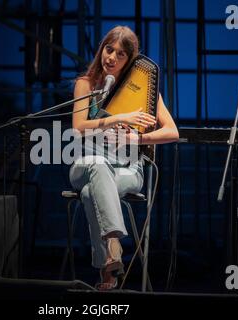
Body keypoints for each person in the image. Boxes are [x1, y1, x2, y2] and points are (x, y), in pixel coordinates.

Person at [69, 25, 179, 290]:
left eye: (120, 55)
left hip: (128, 169)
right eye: (109, 50)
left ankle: (108, 269)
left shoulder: (143, 91)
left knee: (88, 194)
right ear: (101, 49)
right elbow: (78, 127)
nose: (112, 58)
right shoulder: (86, 84)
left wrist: (137, 139)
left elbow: (172, 132)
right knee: (97, 166)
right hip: (87, 162)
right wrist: (120, 117)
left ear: (129, 60)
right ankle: (115, 240)